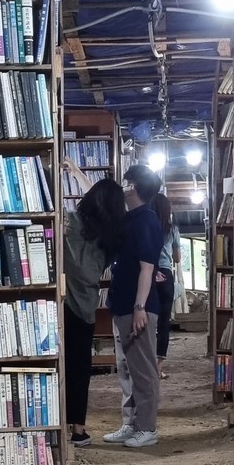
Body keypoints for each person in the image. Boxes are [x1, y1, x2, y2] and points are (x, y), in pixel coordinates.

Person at [62, 173, 126, 446]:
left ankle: (52, 423)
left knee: (54, 364)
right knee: (79, 367)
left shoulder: (68, 221)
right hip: (86, 305)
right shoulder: (112, 236)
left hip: (58, 301)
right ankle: (78, 429)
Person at [104, 162, 163, 450]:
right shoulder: (130, 218)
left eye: (126, 181)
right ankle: (131, 423)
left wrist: (140, 307)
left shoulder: (146, 221)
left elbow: (147, 268)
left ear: (134, 187)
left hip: (137, 306)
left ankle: (147, 428)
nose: (122, 185)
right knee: (127, 369)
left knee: (143, 370)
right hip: (123, 305)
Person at [150, 191, 182, 379]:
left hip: (148, 273)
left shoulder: (147, 227)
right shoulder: (173, 230)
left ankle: (145, 364)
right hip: (166, 274)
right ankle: (158, 367)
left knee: (148, 320)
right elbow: (177, 258)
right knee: (163, 322)